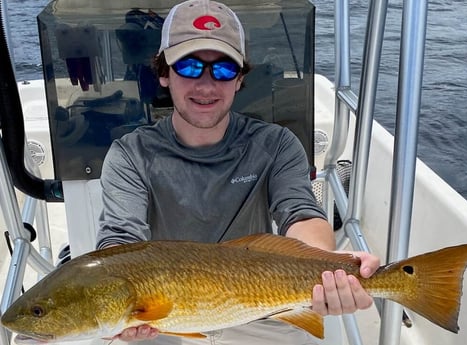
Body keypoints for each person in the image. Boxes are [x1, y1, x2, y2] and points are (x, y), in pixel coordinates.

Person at [96, 0, 380, 343]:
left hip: (262, 307)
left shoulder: (275, 143)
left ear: (240, 78)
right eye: (188, 66)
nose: (206, 85)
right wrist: (123, 308)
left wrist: (327, 263)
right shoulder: (131, 154)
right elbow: (121, 240)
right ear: (164, 73)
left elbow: (299, 212)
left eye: (223, 69)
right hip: (164, 317)